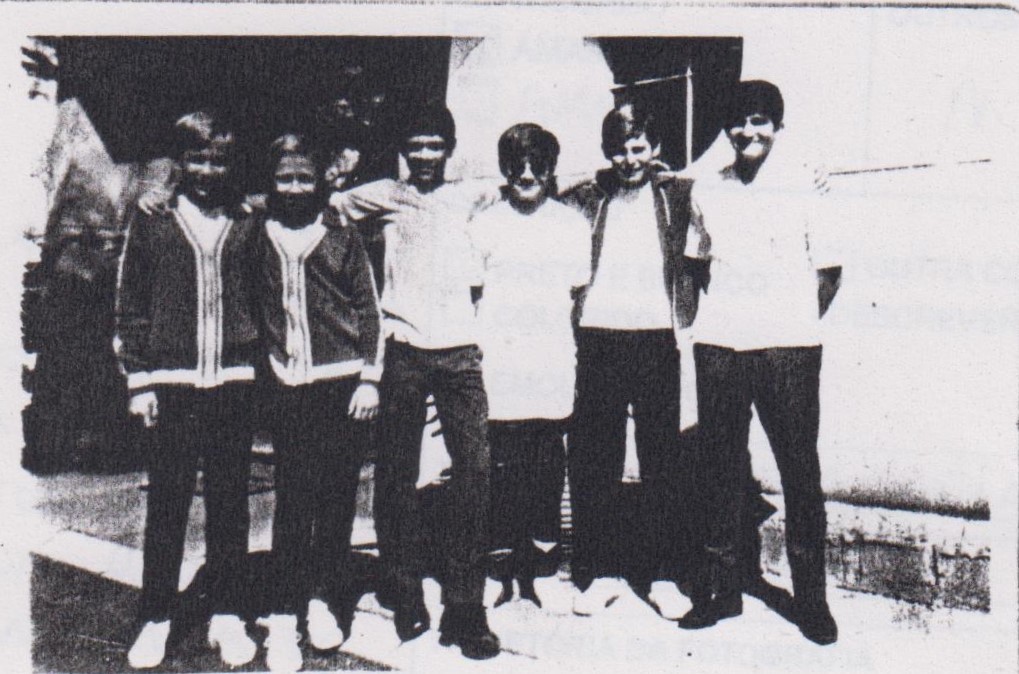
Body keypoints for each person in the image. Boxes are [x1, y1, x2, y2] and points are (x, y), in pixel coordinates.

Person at [330, 106, 502, 660]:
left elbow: (542, 181)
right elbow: (311, 200)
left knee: (473, 473)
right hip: (401, 350)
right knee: (396, 475)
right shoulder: (379, 195)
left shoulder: (472, 194)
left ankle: (465, 609)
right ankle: (403, 592)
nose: (426, 156)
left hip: (460, 354)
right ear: (403, 149)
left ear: (449, 148)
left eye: (435, 145)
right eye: (416, 145)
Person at [677, 80, 841, 646]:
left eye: (759, 120)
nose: (748, 131)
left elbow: (829, 272)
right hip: (721, 346)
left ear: (776, 125)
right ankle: (721, 593)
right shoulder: (709, 188)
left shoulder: (805, 185)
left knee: (799, 472)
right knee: (719, 468)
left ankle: (811, 602)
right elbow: (696, 265)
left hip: (787, 349)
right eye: (738, 121)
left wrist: (789, 325)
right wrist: (722, 323)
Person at [116, 111, 260, 669]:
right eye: (196, 158)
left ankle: (227, 612)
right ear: (180, 162)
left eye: (217, 160)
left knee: (229, 503)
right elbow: (131, 304)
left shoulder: (247, 219)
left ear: (230, 164)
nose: (206, 169)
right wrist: (139, 380)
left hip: (233, 383)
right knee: (169, 504)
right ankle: (156, 615)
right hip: (171, 386)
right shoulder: (152, 219)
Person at [561, 107, 702, 618]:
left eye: (639, 147)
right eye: (620, 148)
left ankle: (664, 574)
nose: (629, 158)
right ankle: (601, 572)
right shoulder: (585, 197)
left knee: (663, 459)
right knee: (595, 459)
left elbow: (726, 173)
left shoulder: (678, 194)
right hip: (597, 339)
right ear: (607, 150)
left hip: (657, 338)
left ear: (656, 148)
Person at [251, 133, 383, 672]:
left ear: (322, 180)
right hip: (288, 386)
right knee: (294, 500)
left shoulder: (341, 235)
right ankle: (283, 615)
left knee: (335, 500)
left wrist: (369, 378)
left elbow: (369, 310)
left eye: (306, 178)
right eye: (286, 178)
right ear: (272, 182)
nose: (296, 188)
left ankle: (322, 600)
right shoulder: (256, 231)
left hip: (342, 385)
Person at [470, 123, 591, 608]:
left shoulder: (571, 224)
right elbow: (473, 294)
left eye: (536, 164)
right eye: (516, 165)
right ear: (504, 170)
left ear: (550, 168)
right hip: (500, 364)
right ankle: (500, 573)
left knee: (546, 467)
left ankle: (540, 572)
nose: (526, 174)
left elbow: (578, 296)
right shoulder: (484, 225)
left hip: (551, 362)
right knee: (501, 469)